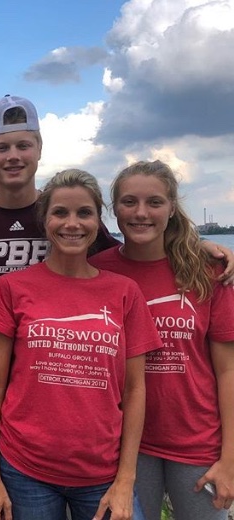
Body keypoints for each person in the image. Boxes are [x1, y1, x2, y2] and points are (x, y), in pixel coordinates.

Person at [0, 96, 234, 519]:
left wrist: (197, 248)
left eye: (23, 145)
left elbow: (138, 246)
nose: (13, 156)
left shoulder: (66, 219)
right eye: (1, 146)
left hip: (64, 418)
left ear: (39, 148)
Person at [0, 169, 160, 520]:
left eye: (84, 213)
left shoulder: (124, 292)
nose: (72, 223)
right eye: (60, 212)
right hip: (24, 469)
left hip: (102, 472)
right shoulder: (12, 289)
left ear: (98, 220)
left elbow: (135, 389)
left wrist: (126, 478)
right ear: (44, 221)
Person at [89, 160, 234, 520]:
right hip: (124, 443)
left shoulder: (208, 270)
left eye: (154, 202)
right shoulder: (96, 270)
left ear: (171, 207)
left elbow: (228, 370)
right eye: (129, 202)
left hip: (197, 440)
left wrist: (230, 457)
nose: (141, 213)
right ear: (114, 210)